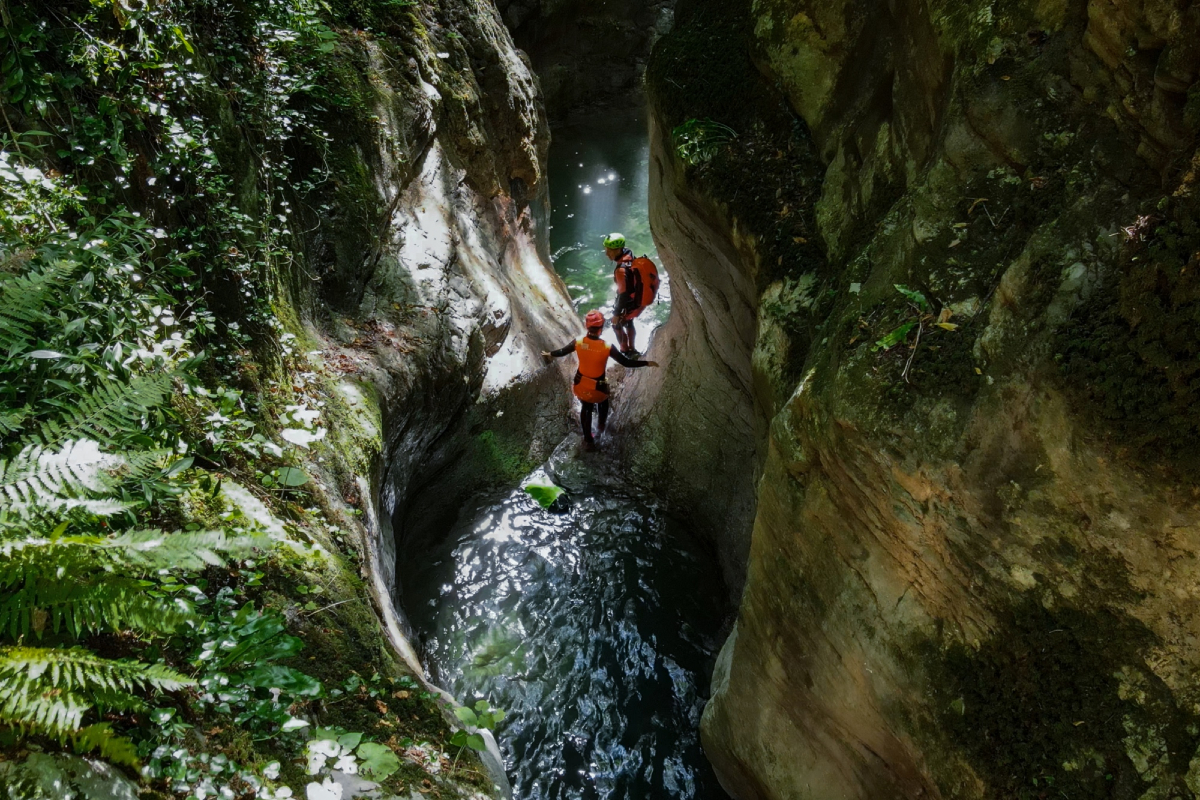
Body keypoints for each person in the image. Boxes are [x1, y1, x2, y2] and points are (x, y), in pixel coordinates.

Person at [542, 309, 658, 451]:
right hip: (598, 388)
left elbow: (561, 352)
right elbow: (626, 363)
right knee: (603, 402)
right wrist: (646, 363)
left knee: (586, 407)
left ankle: (588, 439)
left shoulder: (578, 342)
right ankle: (601, 427)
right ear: (601, 328)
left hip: (580, 385)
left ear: (587, 327)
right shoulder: (607, 346)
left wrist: (548, 353)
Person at [603, 233, 659, 358]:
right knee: (628, 322)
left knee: (616, 325)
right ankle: (631, 348)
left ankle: (626, 350)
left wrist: (617, 313)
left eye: (610, 251)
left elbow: (623, 294)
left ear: (618, 250)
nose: (607, 253)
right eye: (606, 249)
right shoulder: (629, 254)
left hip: (629, 302)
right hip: (637, 299)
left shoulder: (621, 271)